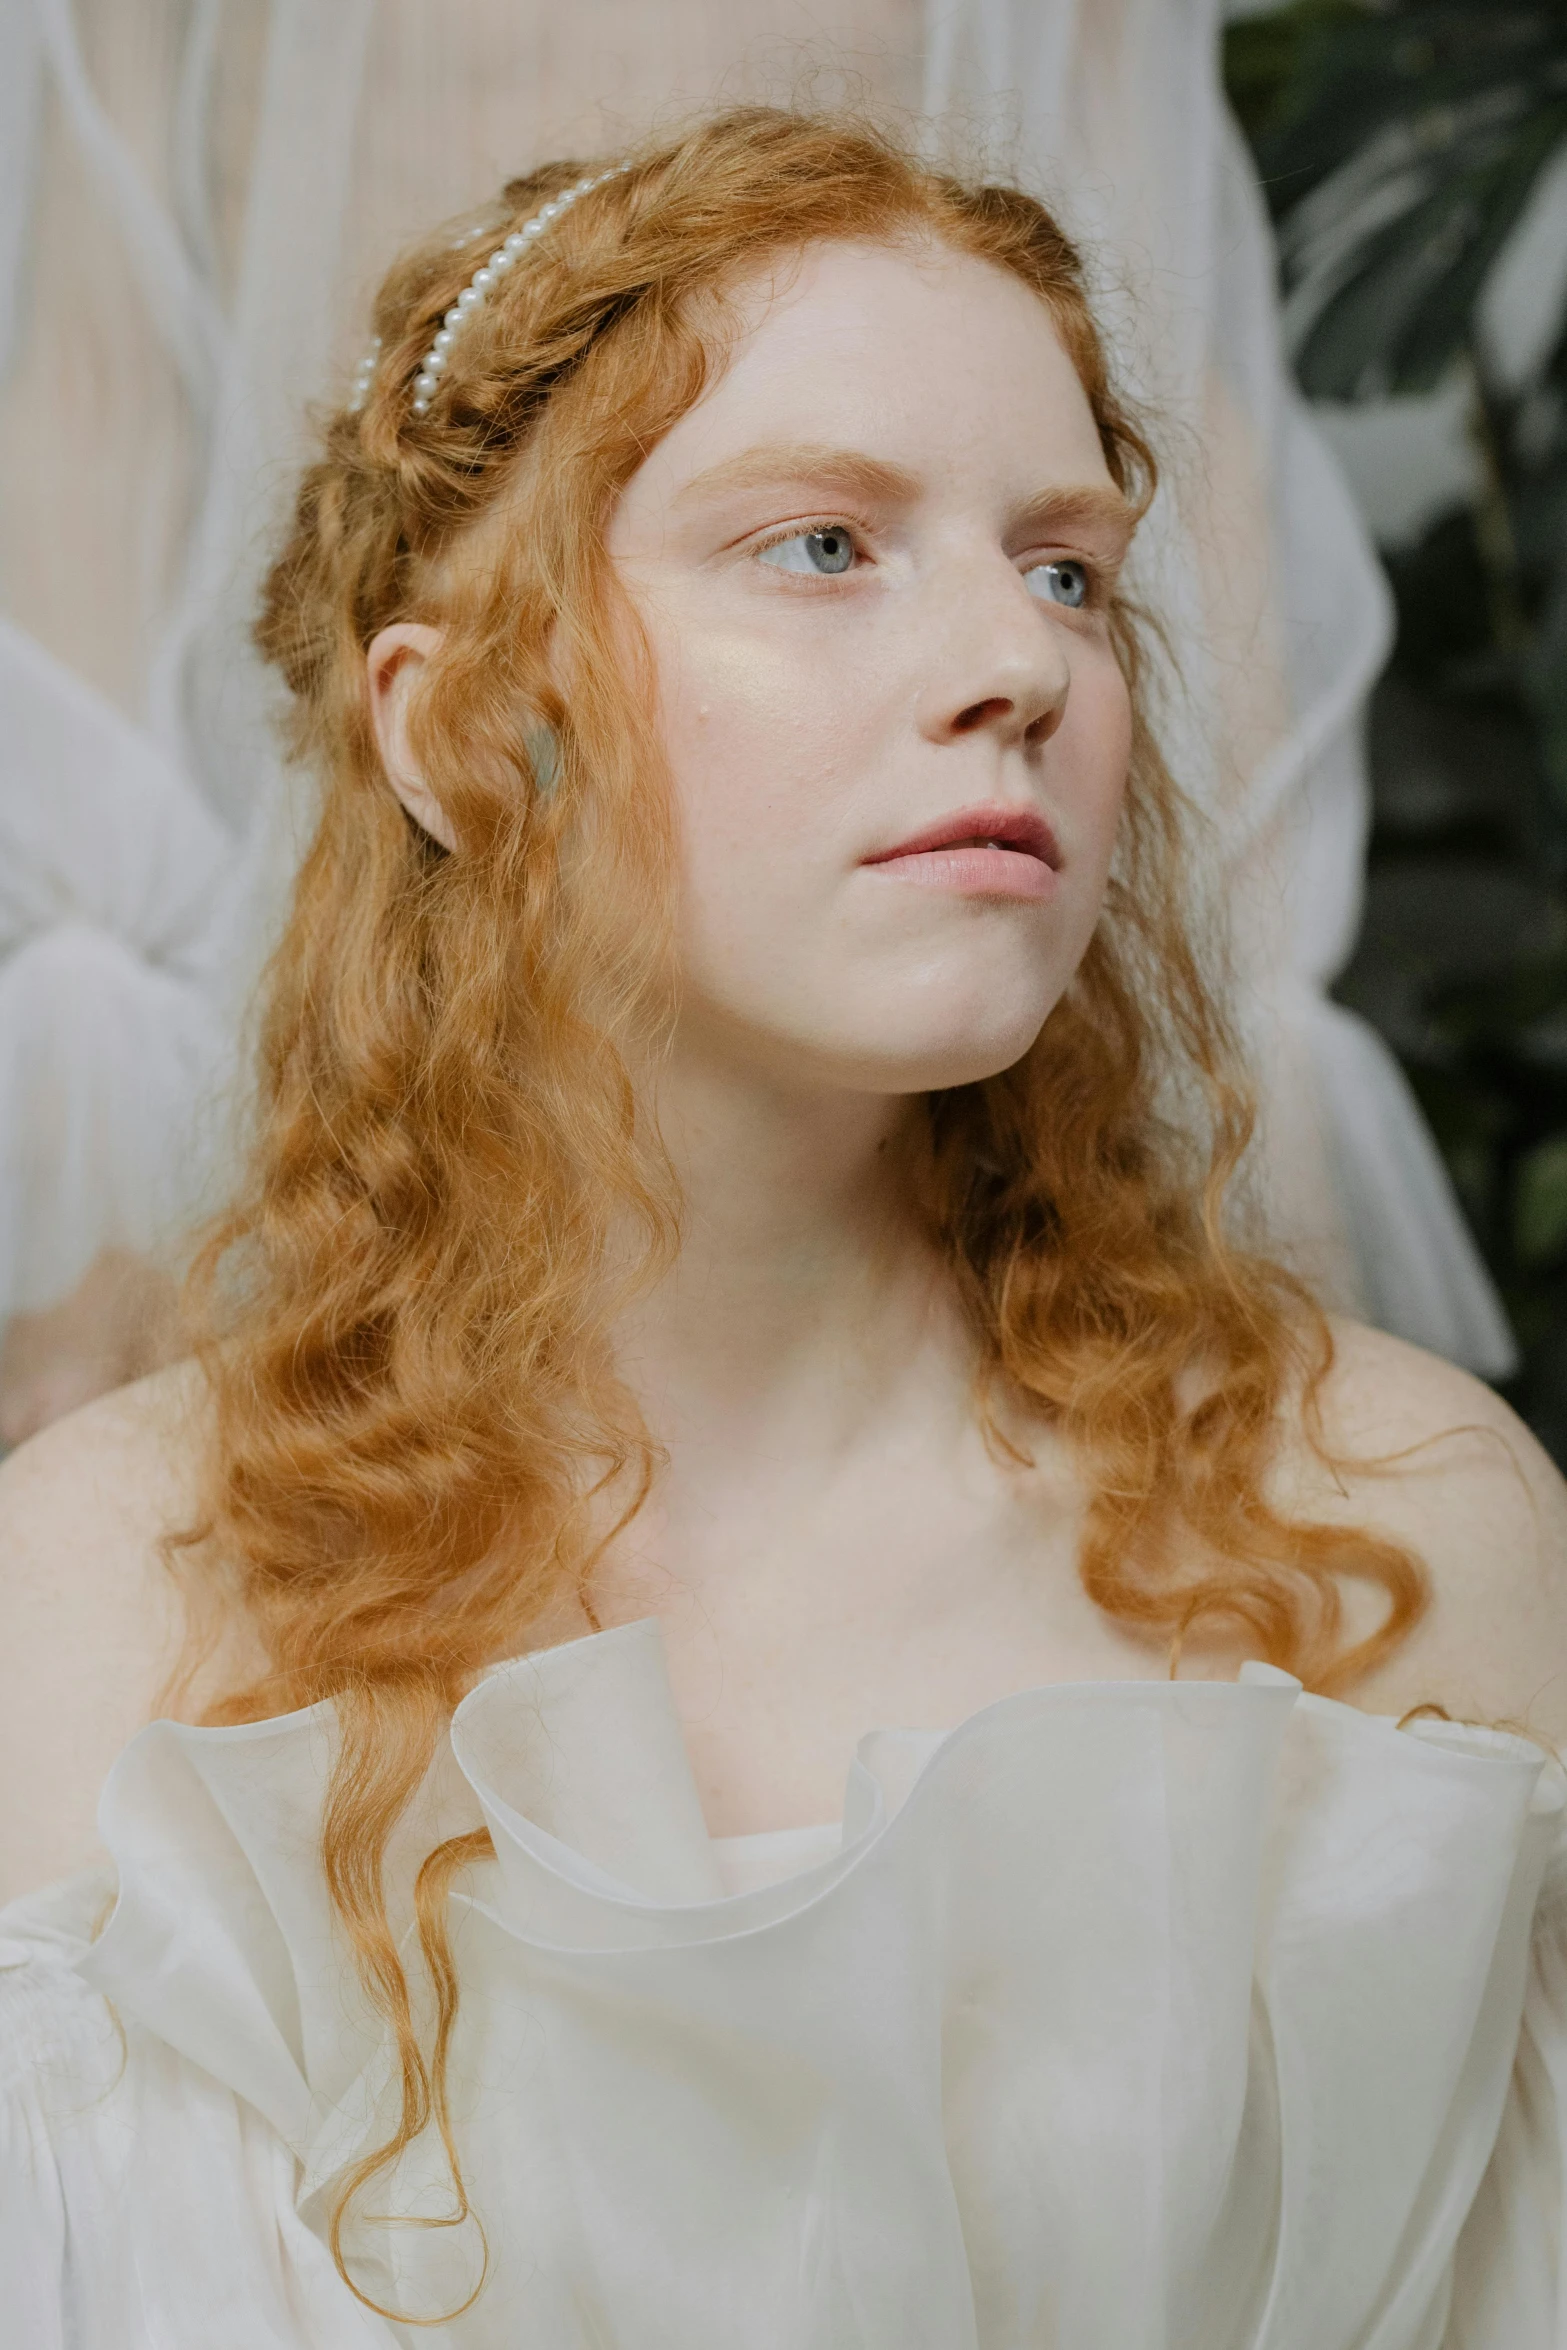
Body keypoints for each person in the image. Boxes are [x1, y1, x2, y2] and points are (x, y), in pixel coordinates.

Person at [1, 107, 1563, 2347]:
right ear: (457, 733)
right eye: (822, 543)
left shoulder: (1386, 1530)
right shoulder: (100, 1596)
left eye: (1067, 568)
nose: (1015, 664)